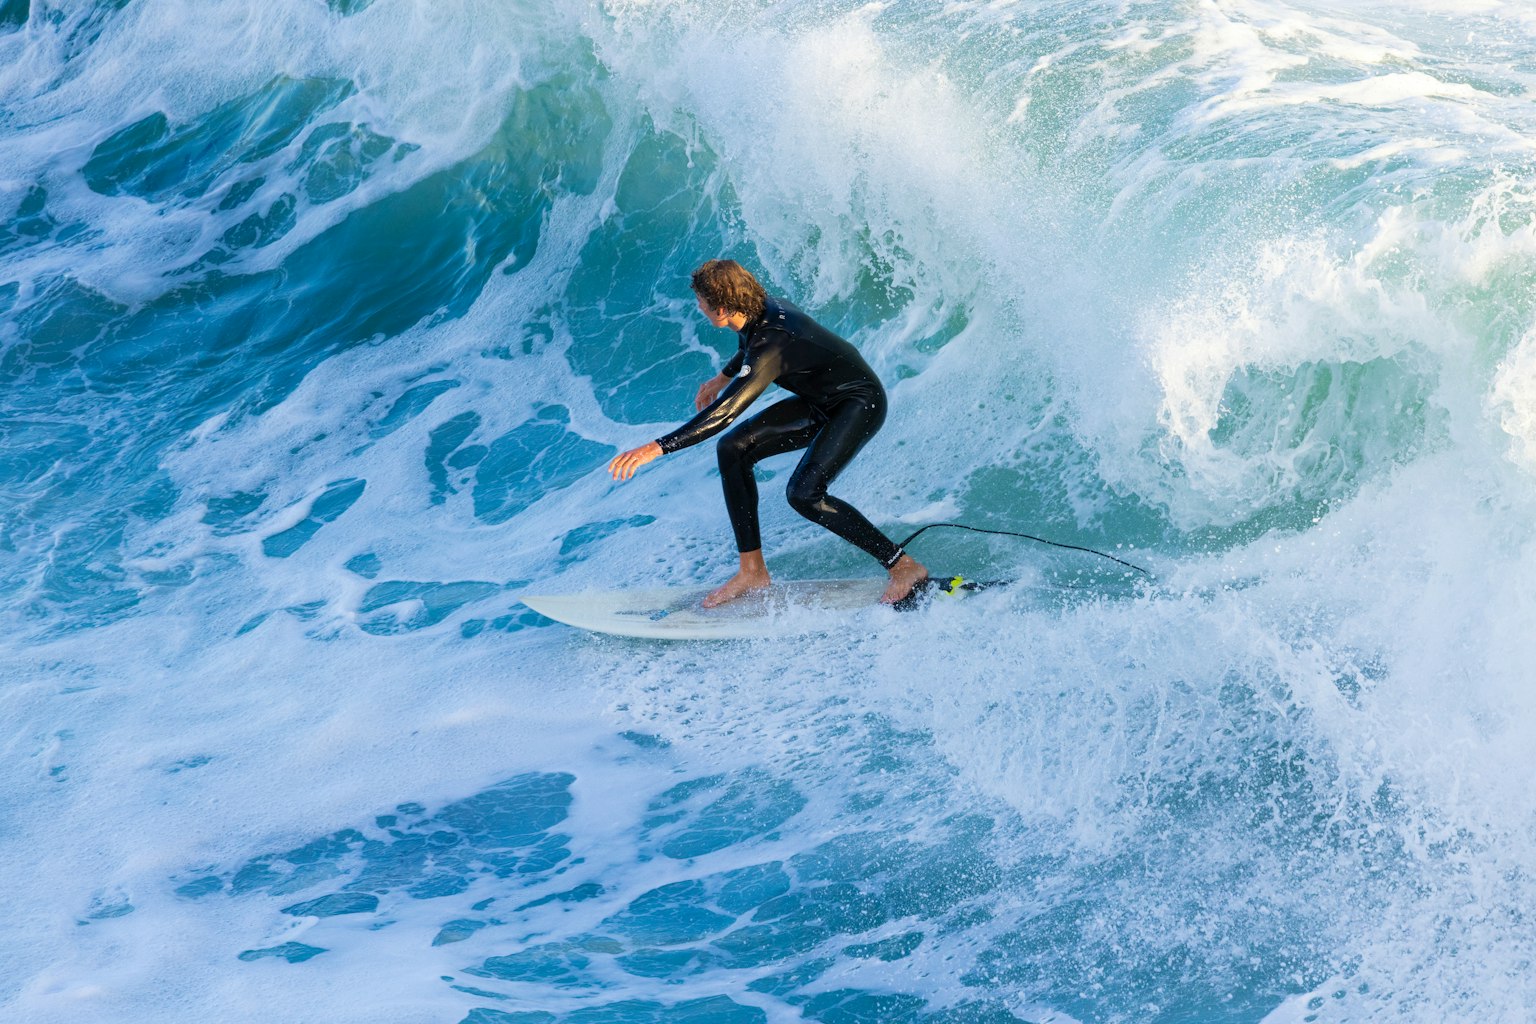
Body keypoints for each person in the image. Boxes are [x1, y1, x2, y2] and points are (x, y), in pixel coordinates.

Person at [607, 259, 928, 608]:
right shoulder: (758, 308)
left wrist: (656, 448)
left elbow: (724, 413)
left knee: (805, 494)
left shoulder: (772, 343)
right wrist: (721, 378)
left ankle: (904, 567)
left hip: (858, 403)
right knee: (733, 448)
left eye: (701, 302)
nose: (698, 307)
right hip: (820, 401)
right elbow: (747, 345)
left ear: (722, 309)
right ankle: (752, 571)